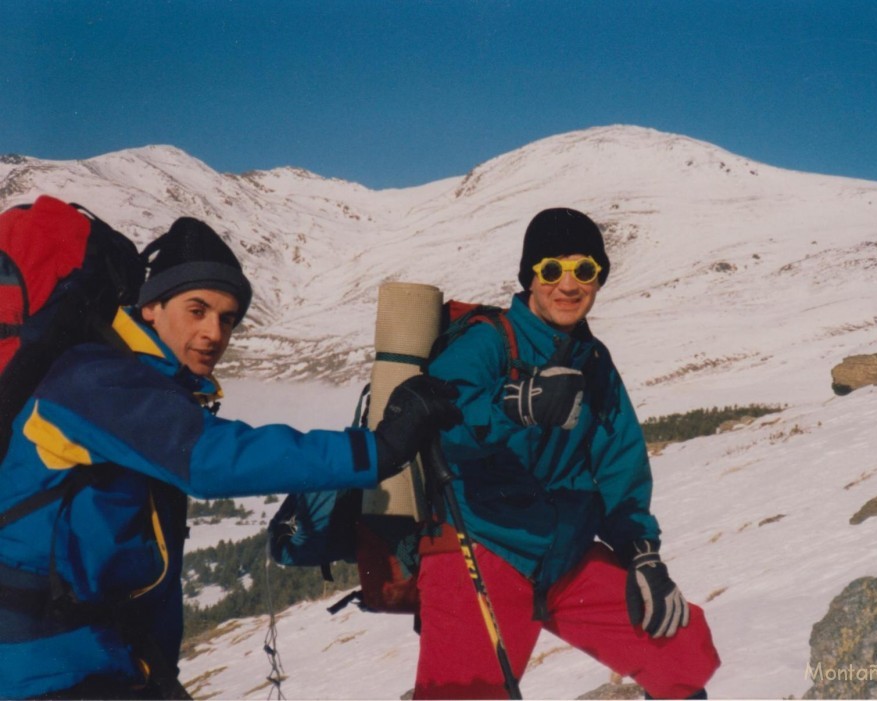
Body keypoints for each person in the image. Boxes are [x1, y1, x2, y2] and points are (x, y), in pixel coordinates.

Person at [0, 216, 462, 700]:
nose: (213, 333)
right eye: (196, 309)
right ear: (151, 306)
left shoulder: (143, 385)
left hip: (101, 657)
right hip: (41, 666)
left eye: (227, 318)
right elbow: (212, 458)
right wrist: (377, 449)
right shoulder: (95, 381)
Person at [415, 208, 720, 699]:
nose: (569, 284)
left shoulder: (593, 361)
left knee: (679, 649)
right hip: (483, 549)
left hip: (565, 556)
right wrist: (513, 407)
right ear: (530, 278)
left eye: (585, 270)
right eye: (552, 270)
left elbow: (620, 462)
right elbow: (428, 424)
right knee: (463, 694)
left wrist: (642, 554)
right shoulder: (488, 342)